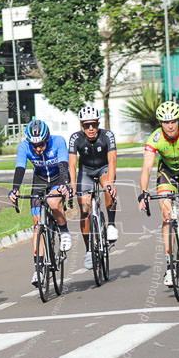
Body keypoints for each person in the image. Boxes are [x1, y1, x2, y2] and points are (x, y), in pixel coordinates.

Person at [137, 100, 179, 287]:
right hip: (166, 172)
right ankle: (169, 266)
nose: (170, 125)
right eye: (166, 122)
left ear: (178, 120)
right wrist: (143, 192)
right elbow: (146, 168)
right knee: (167, 216)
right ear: (160, 123)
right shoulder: (155, 139)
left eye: (173, 120)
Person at [7, 119, 72, 286]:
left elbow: (64, 164)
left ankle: (64, 230)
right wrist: (15, 189)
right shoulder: (24, 147)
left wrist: (66, 185)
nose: (38, 149)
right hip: (40, 180)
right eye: (34, 146)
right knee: (37, 224)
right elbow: (20, 167)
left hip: (58, 177)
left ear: (47, 138)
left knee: (53, 203)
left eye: (41, 144)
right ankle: (39, 269)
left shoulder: (58, 141)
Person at [68, 106, 118, 270]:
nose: (91, 128)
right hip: (86, 172)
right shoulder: (75, 138)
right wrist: (73, 186)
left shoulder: (107, 135)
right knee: (84, 208)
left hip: (103, 168)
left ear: (98, 124)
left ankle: (110, 224)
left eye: (94, 125)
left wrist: (110, 182)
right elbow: (72, 163)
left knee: (108, 189)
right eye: (87, 125)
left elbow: (112, 159)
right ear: (82, 125)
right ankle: (89, 250)